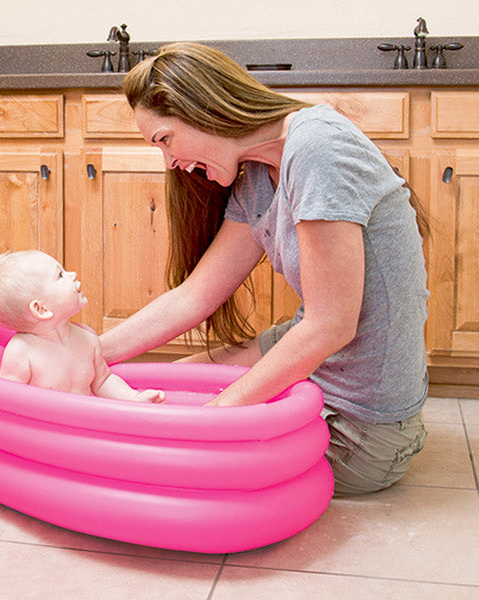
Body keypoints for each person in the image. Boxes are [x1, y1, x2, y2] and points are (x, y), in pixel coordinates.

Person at [99, 42, 429, 496]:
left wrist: (211, 420)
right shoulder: (256, 172)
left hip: (363, 425)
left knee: (167, 449)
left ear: (203, 109)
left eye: (165, 139)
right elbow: (195, 296)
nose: (170, 162)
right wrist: (87, 356)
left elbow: (330, 327)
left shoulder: (316, 147)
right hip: (321, 364)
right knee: (169, 387)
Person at [0, 250, 165, 403]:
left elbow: (102, 381)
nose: (72, 274)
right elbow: (8, 402)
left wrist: (134, 397)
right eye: (60, 275)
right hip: (42, 435)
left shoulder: (87, 339)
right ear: (41, 308)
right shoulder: (21, 352)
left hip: (80, 429)